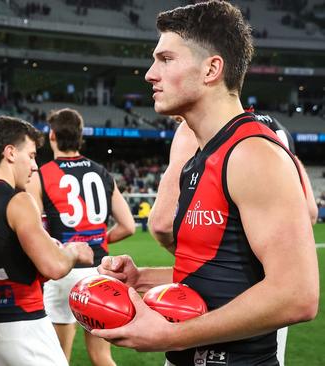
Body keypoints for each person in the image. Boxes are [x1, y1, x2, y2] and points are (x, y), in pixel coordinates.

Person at [94, 2, 319, 365]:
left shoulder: (253, 154)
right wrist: (142, 278)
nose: (151, 73)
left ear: (212, 68)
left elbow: (298, 296)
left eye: (165, 59)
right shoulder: (200, 156)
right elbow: (224, 274)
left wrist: (171, 335)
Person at [148, 113, 319, 366]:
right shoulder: (273, 131)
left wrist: (209, 266)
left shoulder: (201, 127)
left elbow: (162, 224)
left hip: (212, 306)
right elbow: (311, 213)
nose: (154, 76)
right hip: (269, 297)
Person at [0, 116, 94, 366]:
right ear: (10, 153)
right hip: (22, 325)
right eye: (31, 155)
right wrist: (74, 251)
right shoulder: (18, 200)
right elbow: (54, 267)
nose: (34, 165)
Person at [26, 108, 135, 366]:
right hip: (100, 270)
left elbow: (30, 228)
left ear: (51, 135)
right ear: (80, 136)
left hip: (65, 269)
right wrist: (99, 241)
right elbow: (128, 226)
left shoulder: (42, 174)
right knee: (101, 356)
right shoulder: (101, 171)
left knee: (58, 357)